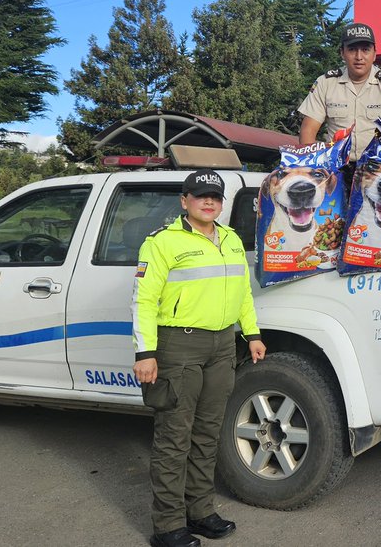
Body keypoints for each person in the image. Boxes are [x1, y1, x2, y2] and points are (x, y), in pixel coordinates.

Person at [132, 170, 267, 547]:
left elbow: (243, 292)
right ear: (184, 200)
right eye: (200, 196)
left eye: (215, 197)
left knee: (207, 435)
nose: (209, 202)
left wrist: (252, 333)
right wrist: (146, 352)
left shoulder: (230, 240)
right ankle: (168, 525)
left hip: (222, 345)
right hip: (178, 347)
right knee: (175, 438)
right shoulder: (161, 243)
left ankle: (200, 511)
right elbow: (143, 300)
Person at [297, 22, 381, 160]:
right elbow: (308, 130)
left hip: (377, 166)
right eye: (352, 49)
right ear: (342, 53)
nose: (359, 56)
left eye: (365, 50)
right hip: (336, 166)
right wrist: (310, 166)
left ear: (374, 54)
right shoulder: (326, 82)